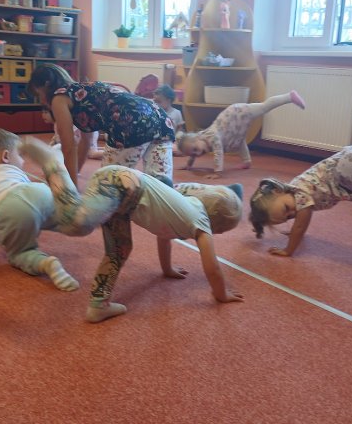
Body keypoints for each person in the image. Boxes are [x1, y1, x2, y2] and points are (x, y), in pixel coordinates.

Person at [19, 136, 245, 323]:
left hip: (125, 196)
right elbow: (213, 268)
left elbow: (164, 237)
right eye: (221, 231)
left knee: (120, 248)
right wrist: (221, 294)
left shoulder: (188, 210)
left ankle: (99, 305)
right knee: (78, 223)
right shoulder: (201, 223)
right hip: (124, 185)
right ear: (217, 224)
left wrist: (167, 269)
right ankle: (53, 162)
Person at [0, 128, 79, 291]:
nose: (23, 161)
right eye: (20, 155)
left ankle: (46, 263)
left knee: (19, 253)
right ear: (5, 156)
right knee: (69, 216)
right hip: (38, 191)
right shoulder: (14, 173)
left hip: (9, 210)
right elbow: (27, 197)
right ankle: (88, 214)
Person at [248, 144, 352, 265]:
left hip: (348, 166)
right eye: (288, 217)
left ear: (278, 191)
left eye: (287, 208)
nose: (294, 212)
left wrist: (288, 250)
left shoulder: (299, 193)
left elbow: (300, 226)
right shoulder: (298, 186)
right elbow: (297, 221)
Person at [27, 63, 175, 186]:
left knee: (106, 188)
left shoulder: (59, 98)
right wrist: (74, 175)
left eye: (38, 94)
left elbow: (68, 147)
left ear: (46, 84)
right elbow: (86, 142)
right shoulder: (82, 91)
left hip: (130, 123)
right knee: (162, 187)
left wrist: (69, 190)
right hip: (159, 117)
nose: (41, 100)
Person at [175, 91, 306, 179]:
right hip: (233, 128)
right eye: (194, 154)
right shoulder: (197, 141)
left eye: (195, 150)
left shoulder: (212, 137)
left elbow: (218, 153)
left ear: (197, 137)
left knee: (263, 107)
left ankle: (289, 96)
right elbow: (191, 151)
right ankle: (247, 162)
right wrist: (189, 165)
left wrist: (217, 172)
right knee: (240, 140)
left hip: (238, 112)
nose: (197, 154)